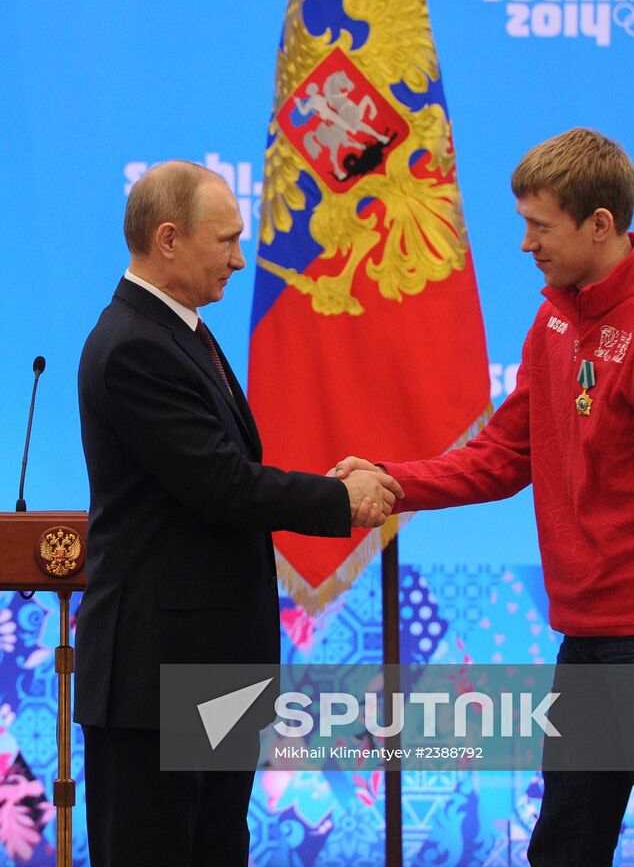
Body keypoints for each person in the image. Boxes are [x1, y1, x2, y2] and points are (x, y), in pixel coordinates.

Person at [334, 128, 634, 866]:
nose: (525, 244)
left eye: (541, 226)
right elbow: (504, 455)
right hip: (586, 636)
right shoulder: (558, 315)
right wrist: (392, 480)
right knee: (564, 845)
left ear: (600, 224)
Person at [75, 160, 402, 867]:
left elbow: (223, 475)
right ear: (168, 239)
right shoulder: (134, 345)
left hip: (209, 670)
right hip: (156, 679)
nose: (238, 258)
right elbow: (221, 484)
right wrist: (339, 501)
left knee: (218, 846)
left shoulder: (180, 331)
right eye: (224, 241)